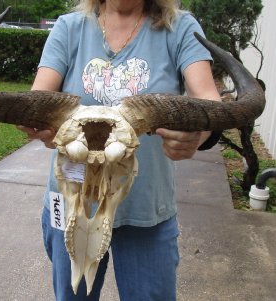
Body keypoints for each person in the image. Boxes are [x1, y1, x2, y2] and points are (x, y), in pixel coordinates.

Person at [17, 0, 221, 300]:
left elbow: (209, 100)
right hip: (73, 203)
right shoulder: (69, 27)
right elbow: (40, 98)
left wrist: (199, 135)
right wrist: (36, 122)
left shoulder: (179, 28)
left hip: (145, 210)